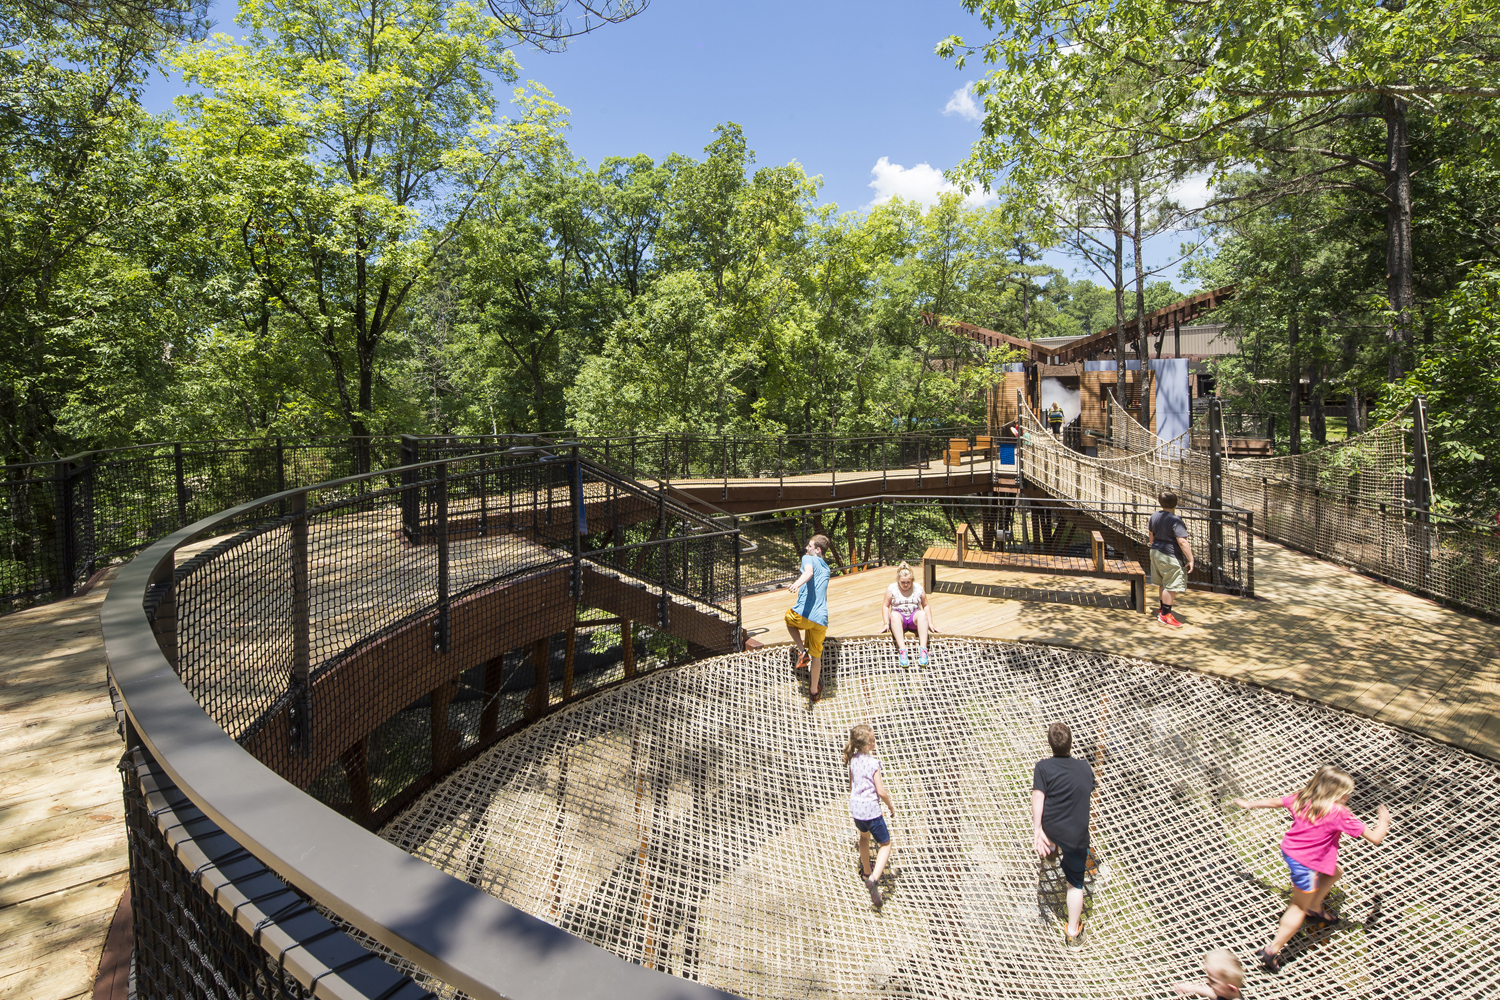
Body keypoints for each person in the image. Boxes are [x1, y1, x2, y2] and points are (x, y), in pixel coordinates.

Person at [1234, 764, 1391, 974]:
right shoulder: (1338, 813)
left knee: (1335, 872)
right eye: (1345, 795)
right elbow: (1376, 838)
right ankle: (1272, 950)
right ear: (1334, 793)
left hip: (1292, 851)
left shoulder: (1303, 798)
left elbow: (1275, 802)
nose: (1347, 799)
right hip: (1306, 864)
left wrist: (1250, 804)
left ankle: (1315, 907)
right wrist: (1384, 821)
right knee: (1297, 906)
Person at [1032, 721, 1095, 948]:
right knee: (1075, 884)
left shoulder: (1043, 767)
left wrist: (1038, 830)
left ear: (1050, 744)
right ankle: (1072, 933)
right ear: (1071, 743)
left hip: (1053, 827)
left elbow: (1038, 798)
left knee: (1051, 826)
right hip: (1077, 834)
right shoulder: (1085, 767)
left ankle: (1049, 847)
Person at [845, 723, 896, 909]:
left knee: (864, 838)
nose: (875, 743)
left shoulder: (853, 760)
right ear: (866, 746)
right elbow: (880, 791)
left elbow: (853, 788)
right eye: (873, 741)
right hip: (871, 811)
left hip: (857, 810)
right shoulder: (874, 763)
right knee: (886, 844)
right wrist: (889, 806)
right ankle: (874, 878)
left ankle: (866, 872)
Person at [784, 534, 832, 704]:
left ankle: (801, 651)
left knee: (788, 619)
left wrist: (797, 584)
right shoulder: (827, 568)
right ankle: (814, 691)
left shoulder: (808, 558)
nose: (807, 548)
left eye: (810, 546)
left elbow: (809, 572)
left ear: (817, 550)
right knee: (817, 654)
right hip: (821, 620)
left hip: (805, 615)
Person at [1148, 491, 1195, 628]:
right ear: (1176, 503)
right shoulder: (1175, 520)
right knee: (1171, 584)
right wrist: (1190, 559)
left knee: (1163, 582)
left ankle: (1162, 610)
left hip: (1155, 551)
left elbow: (1151, 535)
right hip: (1169, 554)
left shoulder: (1154, 516)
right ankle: (1165, 615)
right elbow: (1182, 541)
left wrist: (1154, 548)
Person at [880, 562, 938, 667]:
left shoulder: (918, 588)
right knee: (894, 615)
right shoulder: (892, 589)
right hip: (899, 618)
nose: (906, 584)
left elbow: (926, 605)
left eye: (908, 582)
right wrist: (886, 623)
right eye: (903, 582)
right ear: (898, 580)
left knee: (922, 614)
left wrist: (930, 623)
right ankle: (902, 650)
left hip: (913, 618)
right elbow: (885, 606)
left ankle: (923, 649)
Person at [1173, 949, 1244, 998]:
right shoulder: (1225, 994)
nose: (1208, 982)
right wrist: (1190, 988)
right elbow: (1212, 993)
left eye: (1214, 982)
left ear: (1231, 988)